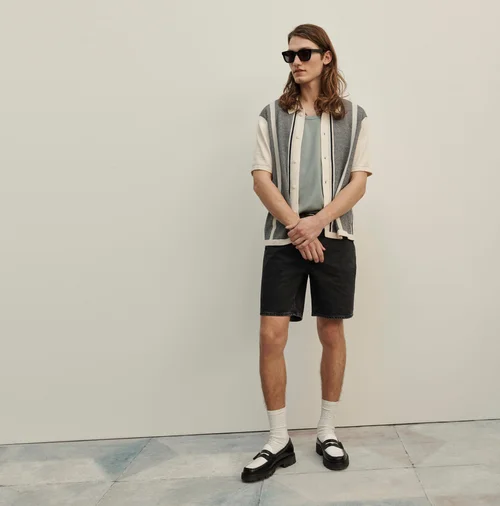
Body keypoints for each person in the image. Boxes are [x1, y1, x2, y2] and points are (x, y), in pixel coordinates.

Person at [241, 24, 372, 484]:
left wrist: (319, 223)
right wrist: (299, 228)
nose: (295, 61)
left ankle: (327, 431)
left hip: (334, 237)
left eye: (304, 53)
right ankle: (278, 439)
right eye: (289, 55)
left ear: (326, 57)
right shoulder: (271, 115)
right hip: (285, 239)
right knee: (270, 335)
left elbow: (358, 182)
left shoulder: (355, 117)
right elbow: (261, 179)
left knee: (331, 331)